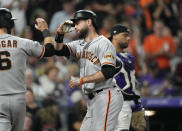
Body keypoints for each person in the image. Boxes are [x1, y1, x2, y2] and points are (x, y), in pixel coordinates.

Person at [54, 10, 123, 131]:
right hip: (92, 99)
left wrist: (82, 80)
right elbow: (58, 50)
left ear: (89, 22)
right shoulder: (79, 44)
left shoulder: (104, 43)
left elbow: (107, 72)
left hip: (106, 95)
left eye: (78, 23)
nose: (75, 27)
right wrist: (59, 34)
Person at [0, 8, 55, 131]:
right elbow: (49, 51)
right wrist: (45, 31)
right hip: (19, 98)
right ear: (10, 24)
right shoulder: (22, 42)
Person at [108, 24, 146, 131]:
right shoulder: (105, 54)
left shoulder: (130, 58)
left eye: (128, 35)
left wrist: (139, 107)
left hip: (124, 103)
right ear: (114, 36)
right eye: (125, 35)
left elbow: (133, 83)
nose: (128, 38)